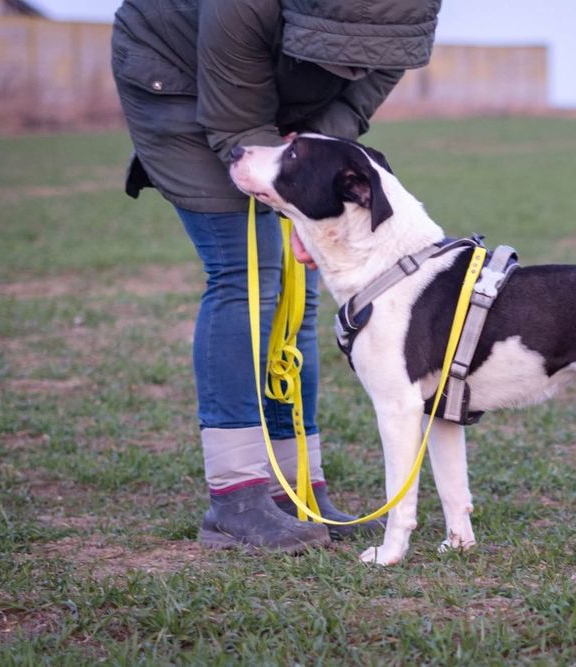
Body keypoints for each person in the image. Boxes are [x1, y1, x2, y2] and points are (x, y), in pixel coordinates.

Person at [111, 0, 442, 553]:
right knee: (247, 274)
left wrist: (307, 192)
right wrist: (293, 200)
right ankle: (236, 498)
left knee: (296, 289)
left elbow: (350, 108)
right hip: (183, 83)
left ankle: (296, 489)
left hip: (285, 105)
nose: (356, 67)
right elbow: (236, 124)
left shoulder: (405, 16)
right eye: (346, 53)